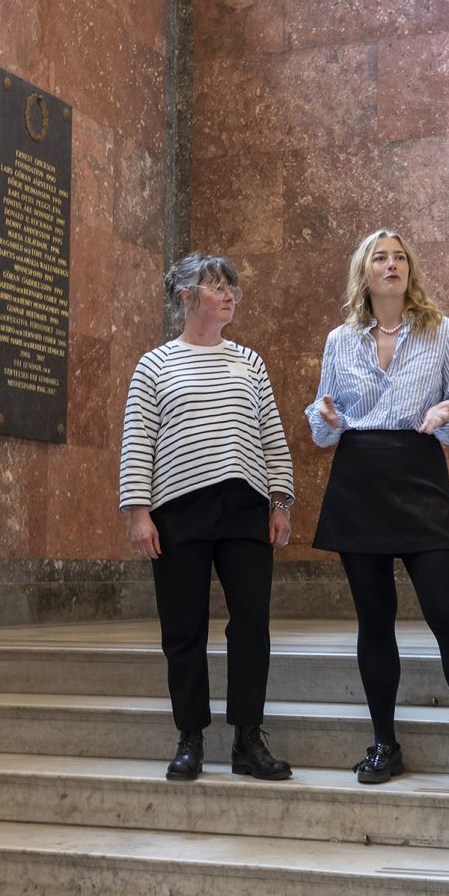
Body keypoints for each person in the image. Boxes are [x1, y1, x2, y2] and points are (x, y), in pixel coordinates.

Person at [305, 229, 449, 791]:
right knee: (373, 618)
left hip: (418, 473)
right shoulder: (341, 339)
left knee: (446, 613)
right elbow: (321, 421)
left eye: (400, 257)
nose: (392, 265)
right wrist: (327, 417)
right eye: (380, 258)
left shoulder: (443, 331)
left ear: (410, 270)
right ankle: (384, 744)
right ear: (364, 273)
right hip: (358, 477)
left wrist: (446, 411)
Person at [120, 252, 295, 783]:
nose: (229, 295)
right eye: (217, 286)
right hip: (178, 511)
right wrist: (139, 513)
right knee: (183, 628)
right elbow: (137, 443)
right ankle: (190, 738)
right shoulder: (155, 365)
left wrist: (280, 502)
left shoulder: (250, 362)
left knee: (252, 626)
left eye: (231, 288)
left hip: (245, 509)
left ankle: (248, 739)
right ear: (186, 296)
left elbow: (272, 437)